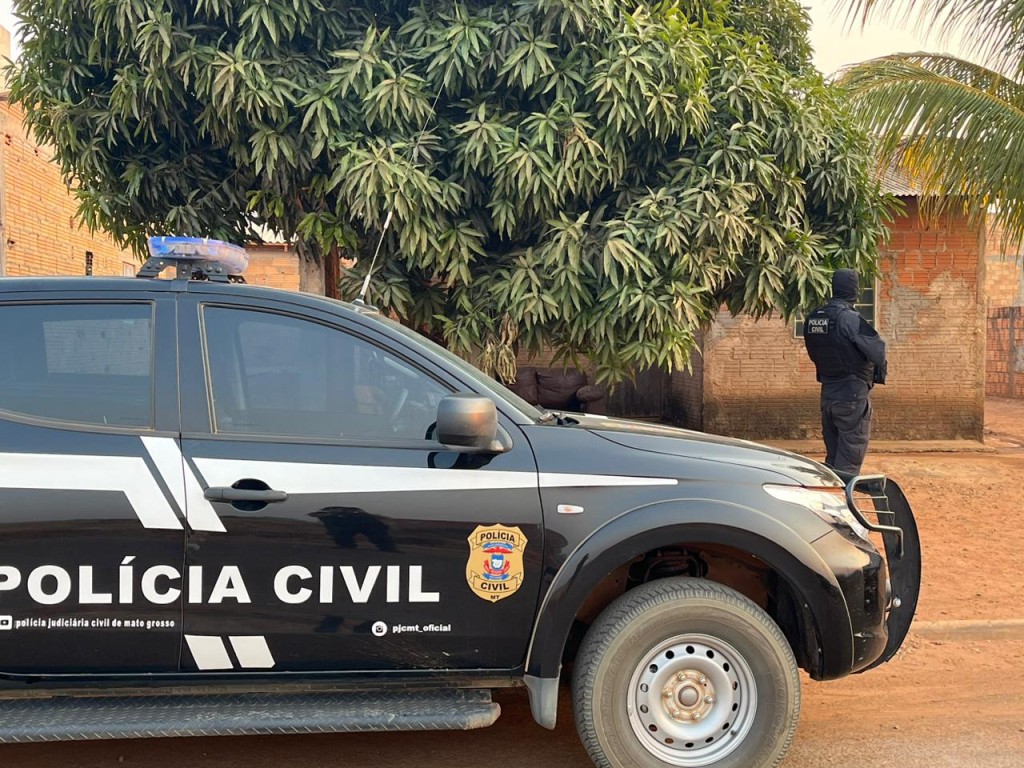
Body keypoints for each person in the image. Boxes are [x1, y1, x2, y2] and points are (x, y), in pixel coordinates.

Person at [803, 269, 888, 476]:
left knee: (833, 460)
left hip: (828, 396)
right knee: (848, 463)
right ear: (854, 290)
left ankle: (829, 494)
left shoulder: (813, 318)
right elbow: (878, 352)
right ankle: (841, 496)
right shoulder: (849, 319)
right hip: (852, 397)